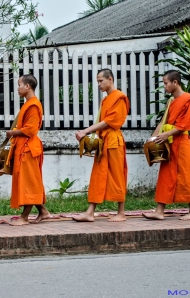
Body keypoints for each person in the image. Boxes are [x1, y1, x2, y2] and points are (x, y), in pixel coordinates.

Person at [73, 69, 129, 223]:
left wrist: (85, 131)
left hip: (114, 141)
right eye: (97, 81)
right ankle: (90, 212)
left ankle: (121, 212)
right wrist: (91, 135)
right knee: (97, 175)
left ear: (110, 79)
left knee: (118, 175)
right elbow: (100, 121)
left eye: (101, 81)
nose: (98, 84)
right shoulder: (105, 100)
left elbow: (110, 121)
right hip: (103, 140)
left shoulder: (120, 97)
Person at [143, 70, 190, 220]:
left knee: (186, 176)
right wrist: (152, 139)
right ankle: (159, 211)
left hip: (182, 143)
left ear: (175, 82)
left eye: (166, 83)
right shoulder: (170, 102)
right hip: (169, 142)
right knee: (165, 174)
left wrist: (167, 134)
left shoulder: (189, 99)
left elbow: (185, 125)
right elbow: (163, 122)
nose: (164, 86)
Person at [5, 74, 50, 226]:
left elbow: (30, 130)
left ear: (27, 86)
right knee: (28, 181)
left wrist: (13, 132)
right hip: (23, 147)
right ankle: (43, 211)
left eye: (19, 85)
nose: (17, 88)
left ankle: (25, 217)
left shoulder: (33, 105)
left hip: (29, 148)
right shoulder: (28, 104)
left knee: (29, 182)